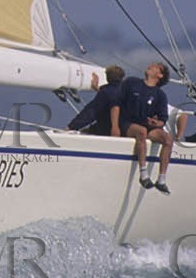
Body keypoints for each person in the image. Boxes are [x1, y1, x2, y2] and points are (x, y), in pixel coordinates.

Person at [122, 61, 173, 193]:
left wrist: (156, 123)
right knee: (142, 131)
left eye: (156, 66)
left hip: (148, 126)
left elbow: (163, 119)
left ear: (160, 75)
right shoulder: (132, 83)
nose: (150, 65)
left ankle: (161, 179)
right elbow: (118, 102)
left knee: (167, 140)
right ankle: (143, 174)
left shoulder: (160, 95)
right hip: (129, 123)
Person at [67, 65, 124, 136]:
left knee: (84, 133)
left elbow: (91, 112)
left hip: (109, 129)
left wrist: (71, 127)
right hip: (127, 127)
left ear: (107, 78)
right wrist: (98, 89)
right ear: (122, 78)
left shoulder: (105, 93)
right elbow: (113, 96)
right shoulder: (126, 90)